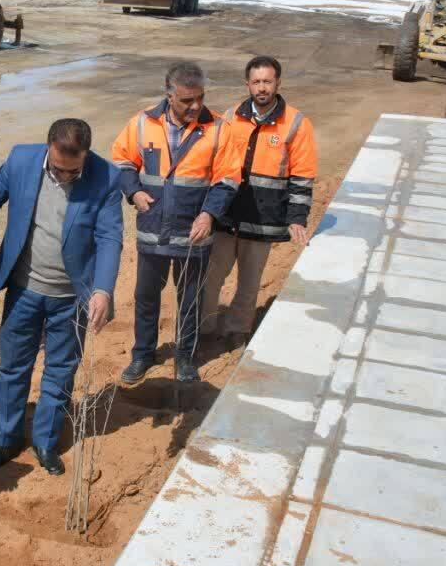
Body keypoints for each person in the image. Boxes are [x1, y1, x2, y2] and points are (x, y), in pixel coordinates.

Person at [0, 119, 122, 479]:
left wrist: (102, 289)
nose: (65, 177)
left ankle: (46, 442)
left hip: (71, 296)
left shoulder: (107, 177)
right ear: (48, 146)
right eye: (58, 169)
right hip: (24, 290)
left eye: (73, 171)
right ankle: (5, 441)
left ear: (86, 155)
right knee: (12, 368)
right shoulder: (22, 159)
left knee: (61, 370)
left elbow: (111, 237)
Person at [110, 61, 242, 387]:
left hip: (193, 234)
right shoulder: (142, 123)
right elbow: (122, 160)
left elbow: (227, 179)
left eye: (200, 98)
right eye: (187, 101)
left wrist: (209, 215)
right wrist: (134, 192)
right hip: (152, 229)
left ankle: (185, 354)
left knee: (190, 299)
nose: (196, 106)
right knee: (146, 296)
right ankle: (143, 353)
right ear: (169, 95)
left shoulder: (218, 128)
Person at [200, 56, 318, 348]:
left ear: (278, 82)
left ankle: (236, 330)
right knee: (211, 277)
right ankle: (202, 330)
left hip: (265, 217)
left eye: (267, 81)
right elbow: (214, 162)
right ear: (247, 84)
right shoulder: (231, 116)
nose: (262, 88)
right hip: (227, 216)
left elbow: (302, 176)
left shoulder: (297, 123)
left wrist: (296, 218)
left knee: (250, 282)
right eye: (256, 82)